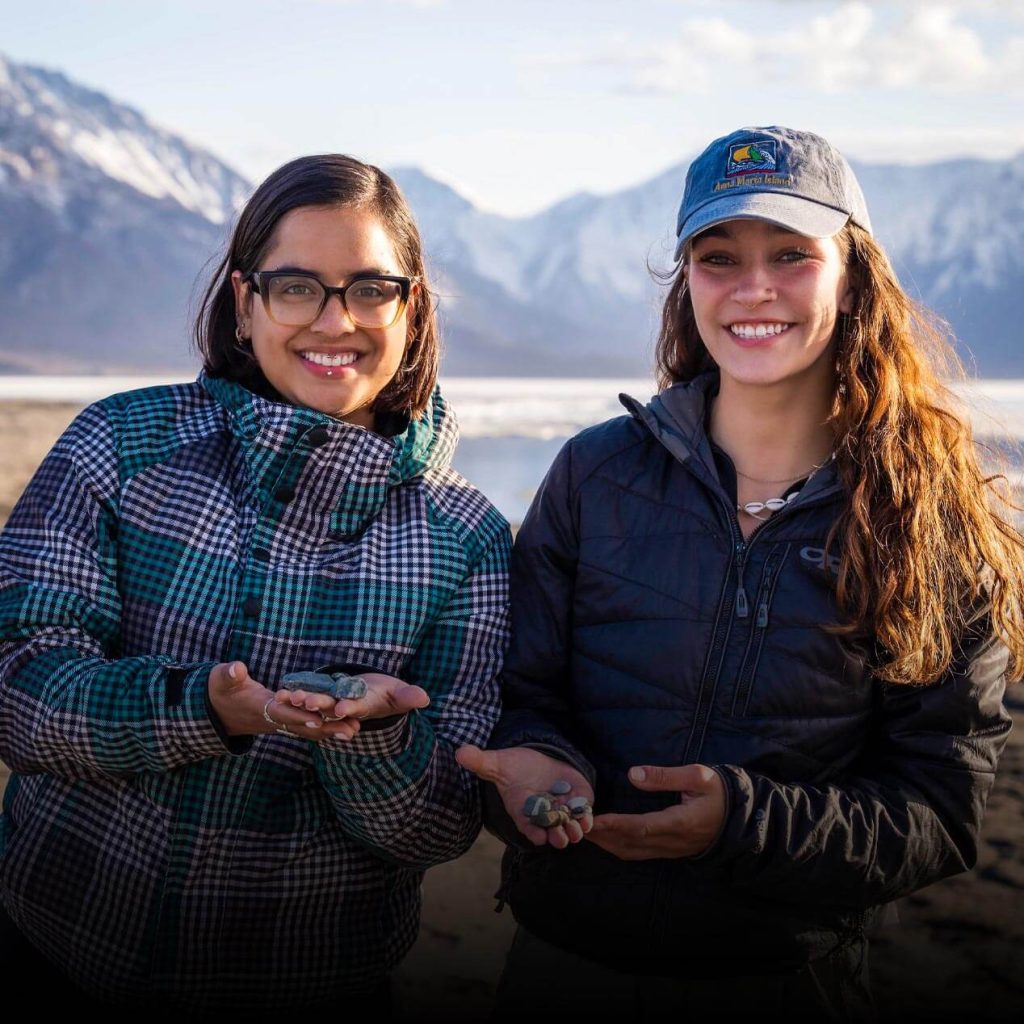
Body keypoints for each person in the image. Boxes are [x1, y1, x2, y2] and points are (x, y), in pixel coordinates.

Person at [457, 126, 1024, 1020]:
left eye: (792, 255)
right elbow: (525, 692)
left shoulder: (932, 516)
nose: (754, 287)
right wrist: (538, 767)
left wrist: (743, 823)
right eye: (718, 257)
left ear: (854, 276)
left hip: (789, 984)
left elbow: (939, 809)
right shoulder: (594, 476)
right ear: (687, 283)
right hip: (562, 969)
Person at [0, 154, 510, 1017]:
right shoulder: (120, 447)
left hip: (312, 981)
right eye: (297, 287)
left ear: (411, 306)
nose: (335, 320)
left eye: (370, 289)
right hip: (56, 947)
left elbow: (442, 827)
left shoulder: (464, 538)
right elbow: (17, 693)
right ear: (245, 302)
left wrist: (372, 744)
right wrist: (204, 709)